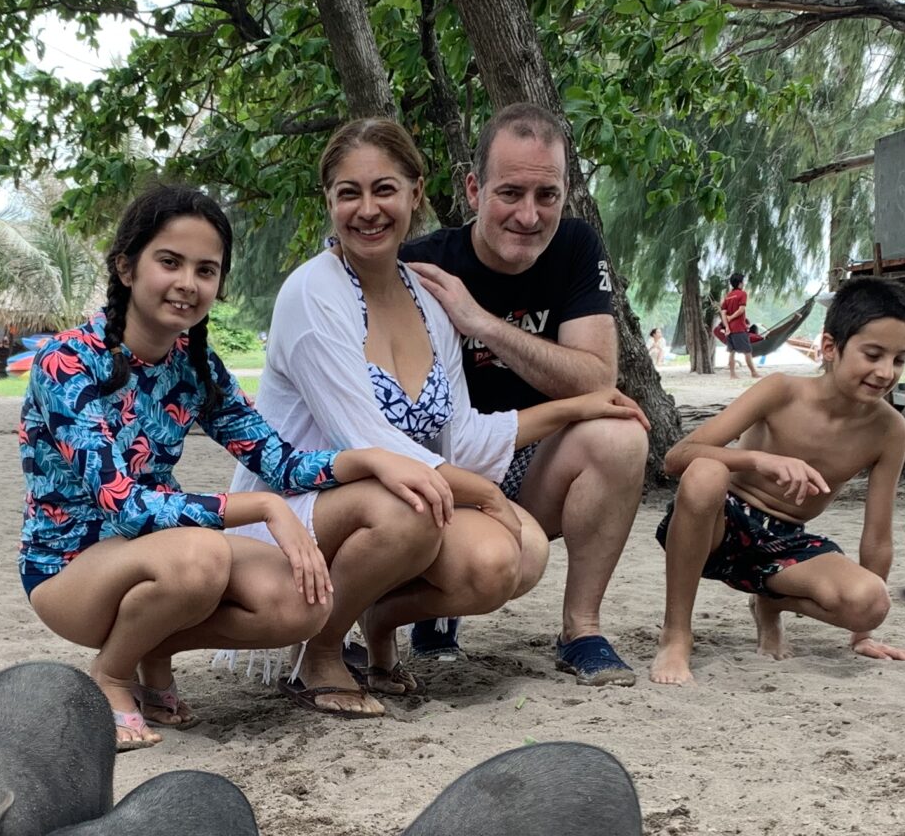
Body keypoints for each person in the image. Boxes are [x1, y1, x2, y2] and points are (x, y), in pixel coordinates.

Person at [18, 184, 452, 748]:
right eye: (169, 262)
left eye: (206, 270)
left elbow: (276, 459)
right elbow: (123, 505)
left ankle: (156, 646)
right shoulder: (68, 362)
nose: (187, 284)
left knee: (303, 603)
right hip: (70, 569)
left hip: (158, 554)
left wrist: (368, 458)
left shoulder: (195, 365)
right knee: (199, 556)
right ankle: (111, 674)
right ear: (126, 267)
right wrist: (264, 507)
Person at [244, 119, 648, 715]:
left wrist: (575, 404)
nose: (368, 209)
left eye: (385, 189)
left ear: (415, 192)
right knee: (408, 511)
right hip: (309, 498)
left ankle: (380, 616)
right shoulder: (313, 293)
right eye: (348, 193)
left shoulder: (429, 296)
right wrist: (484, 494)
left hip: (404, 492)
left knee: (515, 555)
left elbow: (460, 433)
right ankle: (321, 652)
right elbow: (370, 441)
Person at [398, 105, 651, 684]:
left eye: (548, 195)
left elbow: (597, 381)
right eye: (510, 192)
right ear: (472, 188)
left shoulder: (578, 247)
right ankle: (419, 609)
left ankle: (581, 629)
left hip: (530, 465)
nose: (529, 215)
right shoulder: (421, 264)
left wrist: (480, 322)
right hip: (441, 469)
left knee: (621, 435)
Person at [649, 276, 905, 684]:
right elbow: (677, 458)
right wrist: (760, 460)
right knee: (707, 472)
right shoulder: (781, 391)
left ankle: (770, 603)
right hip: (716, 523)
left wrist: (862, 635)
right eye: (872, 354)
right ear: (830, 348)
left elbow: (878, 536)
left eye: (899, 360)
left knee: (871, 601)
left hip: (784, 543)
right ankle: (676, 635)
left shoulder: (889, 430)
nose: (886, 372)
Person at [717, 275, 760, 379]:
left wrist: (727, 327)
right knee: (747, 351)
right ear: (740, 283)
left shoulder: (727, 296)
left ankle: (732, 374)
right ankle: (754, 373)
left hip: (729, 329)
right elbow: (741, 309)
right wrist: (731, 318)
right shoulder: (742, 294)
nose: (744, 283)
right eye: (743, 282)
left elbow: (723, 313)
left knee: (732, 352)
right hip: (739, 328)